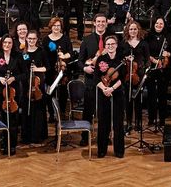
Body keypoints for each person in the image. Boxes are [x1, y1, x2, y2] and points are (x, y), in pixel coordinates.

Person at [78, 13, 112, 146]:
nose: (101, 24)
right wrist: (85, 68)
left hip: (106, 80)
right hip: (91, 80)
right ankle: (84, 137)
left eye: (103, 21)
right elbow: (80, 61)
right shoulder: (87, 39)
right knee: (88, 110)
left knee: (105, 110)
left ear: (106, 23)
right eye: (98, 21)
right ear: (94, 23)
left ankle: (105, 136)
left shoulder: (111, 39)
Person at [95, 35, 126, 158]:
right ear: (105, 46)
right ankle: (102, 150)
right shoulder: (101, 59)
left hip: (117, 92)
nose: (110, 46)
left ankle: (119, 151)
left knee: (118, 122)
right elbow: (96, 78)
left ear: (116, 45)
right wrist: (104, 89)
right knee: (103, 122)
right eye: (108, 44)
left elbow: (123, 78)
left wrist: (112, 88)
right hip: (103, 92)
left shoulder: (121, 59)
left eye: (112, 44)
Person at [0, 35, 21, 153]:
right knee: (4, 117)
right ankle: (4, 143)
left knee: (13, 118)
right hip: (1, 92)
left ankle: (12, 145)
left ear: (12, 44)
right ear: (1, 43)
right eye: (5, 43)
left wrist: (14, 78)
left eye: (9, 43)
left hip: (14, 92)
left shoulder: (17, 56)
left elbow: (25, 74)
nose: (7, 45)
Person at [20, 29, 49, 144]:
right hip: (26, 84)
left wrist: (37, 69)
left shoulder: (41, 51)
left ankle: (38, 135)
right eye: (29, 38)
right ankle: (27, 136)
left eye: (34, 39)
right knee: (27, 109)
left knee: (38, 109)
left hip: (38, 84)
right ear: (26, 39)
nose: (31, 41)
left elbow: (47, 67)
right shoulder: (23, 52)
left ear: (37, 39)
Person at [145, 16, 171, 131]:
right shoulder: (148, 36)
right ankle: (151, 119)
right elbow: (145, 52)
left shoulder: (167, 37)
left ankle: (162, 119)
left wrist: (168, 54)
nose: (159, 25)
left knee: (162, 94)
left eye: (161, 23)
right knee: (151, 94)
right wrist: (153, 60)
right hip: (151, 67)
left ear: (164, 25)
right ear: (154, 24)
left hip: (164, 68)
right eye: (157, 23)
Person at [121, 20, 148, 133]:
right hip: (127, 74)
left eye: (135, 29)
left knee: (138, 99)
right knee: (127, 99)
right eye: (131, 29)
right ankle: (128, 123)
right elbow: (120, 58)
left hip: (138, 75)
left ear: (138, 30)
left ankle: (138, 122)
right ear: (128, 30)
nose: (133, 31)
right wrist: (126, 59)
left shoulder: (143, 44)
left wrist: (143, 69)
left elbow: (147, 60)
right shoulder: (123, 43)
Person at [44, 17, 73, 123]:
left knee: (63, 92)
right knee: (50, 92)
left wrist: (64, 56)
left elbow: (70, 52)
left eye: (58, 26)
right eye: (54, 26)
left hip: (63, 69)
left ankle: (62, 112)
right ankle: (51, 114)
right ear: (51, 27)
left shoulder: (65, 38)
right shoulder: (46, 39)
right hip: (50, 70)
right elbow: (44, 55)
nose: (56, 27)